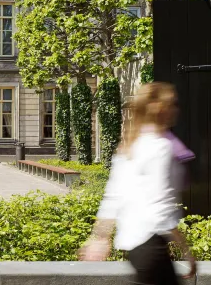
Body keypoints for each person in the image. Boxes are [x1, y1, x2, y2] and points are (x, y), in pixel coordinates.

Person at [79, 83, 196, 284]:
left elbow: (113, 196)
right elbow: (164, 207)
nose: (176, 109)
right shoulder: (162, 148)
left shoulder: (130, 145)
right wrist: (186, 252)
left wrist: (100, 237)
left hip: (135, 247)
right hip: (152, 245)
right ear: (160, 108)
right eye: (172, 104)